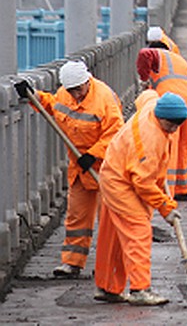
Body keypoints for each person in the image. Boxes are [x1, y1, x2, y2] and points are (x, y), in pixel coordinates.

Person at [14, 61, 123, 278]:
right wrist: (32, 95)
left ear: (87, 82)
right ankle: (72, 263)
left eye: (78, 90)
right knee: (76, 219)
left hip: (106, 168)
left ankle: (109, 265)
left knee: (109, 220)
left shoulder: (104, 100)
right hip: (80, 169)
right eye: (71, 90)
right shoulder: (65, 94)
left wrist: (93, 154)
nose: (75, 95)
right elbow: (51, 106)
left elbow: (116, 133)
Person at [92, 91, 186, 306]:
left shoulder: (153, 105)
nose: (172, 130)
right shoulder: (149, 139)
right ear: (160, 117)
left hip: (114, 172)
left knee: (114, 236)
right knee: (138, 233)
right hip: (121, 184)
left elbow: (146, 95)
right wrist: (165, 207)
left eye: (176, 126)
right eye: (170, 125)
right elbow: (143, 183)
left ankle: (108, 288)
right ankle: (140, 289)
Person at [137, 43, 187, 200]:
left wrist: (143, 79)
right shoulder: (179, 60)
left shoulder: (157, 54)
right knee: (182, 146)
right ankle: (182, 188)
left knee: (169, 146)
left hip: (171, 104)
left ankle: (167, 193)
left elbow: (145, 54)